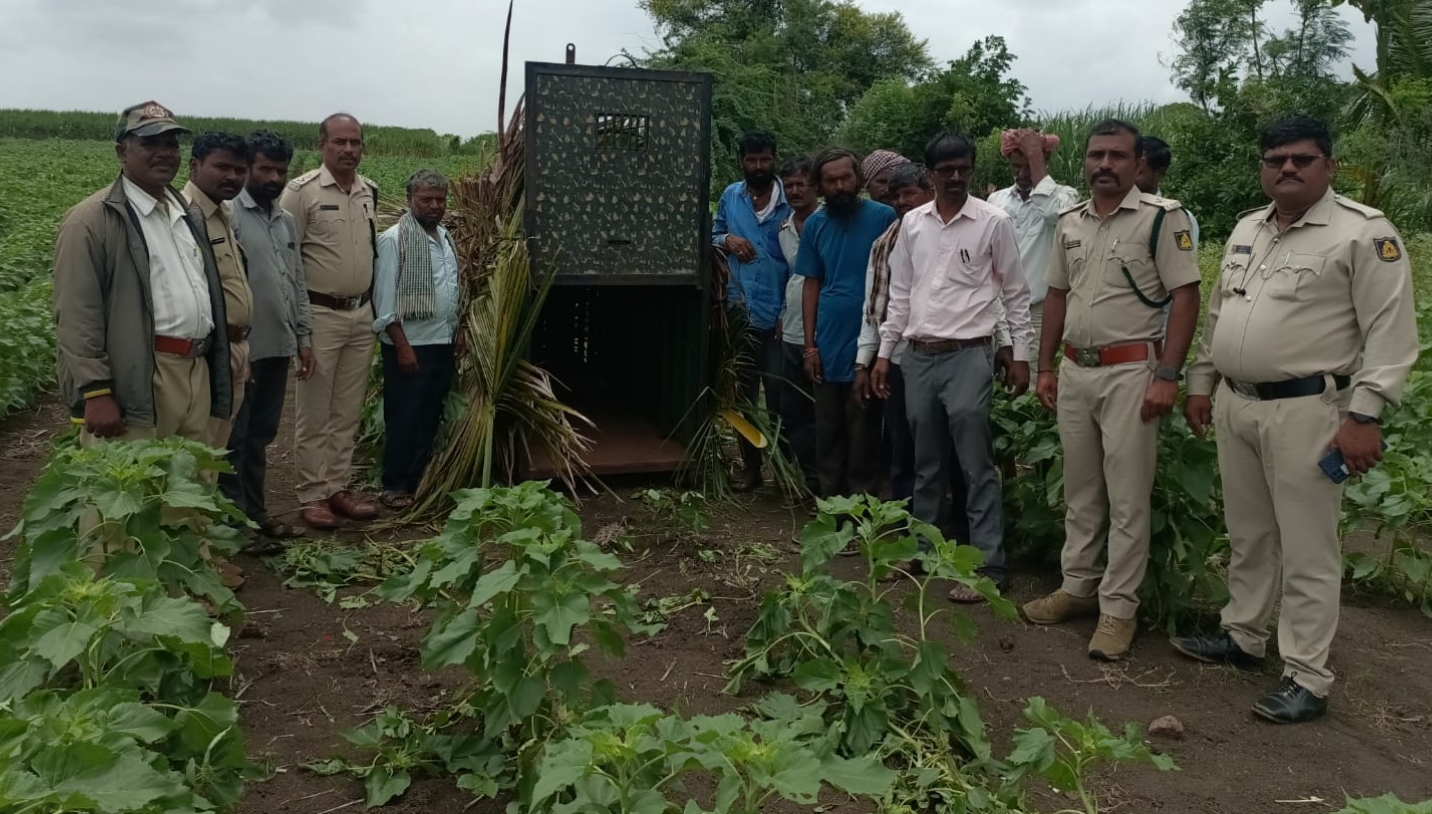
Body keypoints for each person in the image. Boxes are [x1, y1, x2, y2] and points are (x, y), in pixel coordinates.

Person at [1172, 116, 1418, 724]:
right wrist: (1202, 383)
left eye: (1302, 159)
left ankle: (1307, 674)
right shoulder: (1248, 227)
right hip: (1238, 403)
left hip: (1309, 408)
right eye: (1275, 158)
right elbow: (1221, 315)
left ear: (1328, 166)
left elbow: (1390, 332)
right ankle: (1244, 636)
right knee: (1249, 533)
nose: (1286, 168)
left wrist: (1365, 413)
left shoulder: (1363, 234)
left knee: (1308, 547)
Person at [1023, 119, 1201, 661]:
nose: (1105, 164)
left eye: (1117, 156)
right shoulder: (1071, 223)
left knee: (1127, 498)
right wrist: (1045, 367)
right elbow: (1056, 294)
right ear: (1085, 160)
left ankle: (1118, 609)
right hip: (1075, 371)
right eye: (1096, 155)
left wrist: (1168, 375)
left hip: (1132, 373)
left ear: (1135, 162)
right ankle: (1077, 587)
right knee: (1081, 491)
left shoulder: (1161, 220)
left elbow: (1186, 297)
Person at [872, 133, 1033, 600]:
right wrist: (885, 354)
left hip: (968, 355)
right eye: (946, 171)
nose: (956, 177)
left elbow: (1015, 293)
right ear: (930, 174)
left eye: (963, 168)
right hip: (919, 355)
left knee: (975, 463)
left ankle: (989, 566)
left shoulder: (992, 222)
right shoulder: (913, 225)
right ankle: (922, 551)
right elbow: (900, 294)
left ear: (972, 170)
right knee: (925, 464)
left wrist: (1019, 355)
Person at [54, 100, 232, 445]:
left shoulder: (185, 213)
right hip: (141, 374)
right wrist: (96, 391)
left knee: (187, 487)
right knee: (131, 491)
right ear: (122, 152)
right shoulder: (92, 220)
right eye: (150, 143)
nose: (164, 153)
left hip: (196, 369)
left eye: (171, 144)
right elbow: (76, 314)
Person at [280, 113, 381, 529]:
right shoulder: (300, 194)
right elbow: (287, 262)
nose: (348, 150)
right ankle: (311, 493)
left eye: (355, 142)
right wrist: (300, 329)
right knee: (314, 410)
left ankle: (338, 487)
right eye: (339, 142)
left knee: (347, 410)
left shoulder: (368, 191)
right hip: (319, 315)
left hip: (361, 315)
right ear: (322, 144)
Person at [221, 130, 316, 544]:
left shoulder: (285, 220)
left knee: (260, 436)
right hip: (244, 350)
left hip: (277, 346)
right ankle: (234, 525)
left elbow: (296, 281)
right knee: (234, 439)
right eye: (265, 169)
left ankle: (255, 513)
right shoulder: (227, 215)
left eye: (281, 170)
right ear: (248, 169)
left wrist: (304, 336)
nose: (274, 177)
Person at [796, 148, 897, 498]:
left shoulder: (884, 217)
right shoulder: (815, 225)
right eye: (831, 180)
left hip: (871, 341)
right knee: (828, 430)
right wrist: (810, 346)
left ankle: (861, 509)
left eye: (846, 178)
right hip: (828, 340)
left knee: (865, 430)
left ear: (858, 179)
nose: (840, 186)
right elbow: (811, 284)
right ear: (819, 187)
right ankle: (830, 507)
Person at [372, 170, 461, 509]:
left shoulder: (445, 237)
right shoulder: (394, 240)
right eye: (427, 199)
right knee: (404, 415)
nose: (435, 206)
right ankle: (394, 484)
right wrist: (403, 347)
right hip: (410, 344)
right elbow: (383, 299)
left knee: (427, 414)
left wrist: (458, 329)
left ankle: (416, 481)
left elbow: (453, 288)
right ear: (411, 200)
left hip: (441, 340)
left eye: (440, 199)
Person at [712, 131, 792, 491]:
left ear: (774, 158)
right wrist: (726, 239)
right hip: (739, 314)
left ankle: (786, 472)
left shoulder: (791, 199)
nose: (758, 166)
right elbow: (711, 235)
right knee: (743, 397)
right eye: (751, 160)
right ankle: (751, 469)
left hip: (779, 319)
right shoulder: (731, 196)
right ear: (741, 161)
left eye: (764, 159)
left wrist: (787, 314)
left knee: (780, 398)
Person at [182, 133, 253, 454]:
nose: (232, 176)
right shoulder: (185, 217)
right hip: (208, 354)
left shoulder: (221, 213)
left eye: (240, 170)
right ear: (195, 166)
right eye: (222, 167)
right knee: (198, 447)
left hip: (234, 349)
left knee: (216, 447)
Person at [988, 128, 1079, 358]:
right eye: (1016, 166)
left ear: (1044, 160)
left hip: (1037, 311)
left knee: (1031, 380)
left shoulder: (1066, 197)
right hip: (997, 308)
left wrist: (1035, 156)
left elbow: (1051, 213)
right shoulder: (996, 200)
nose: (1022, 174)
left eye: (1029, 165)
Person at [776, 156, 821, 495]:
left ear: (814, 185)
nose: (794, 191)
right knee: (794, 410)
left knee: (828, 412)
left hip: (827, 332)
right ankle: (812, 480)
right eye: (788, 185)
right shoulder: (784, 229)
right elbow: (790, 278)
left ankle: (836, 486)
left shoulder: (830, 221)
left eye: (800, 184)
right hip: (791, 330)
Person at [1135, 136, 1200, 249]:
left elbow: (1182, 264)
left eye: (1138, 170)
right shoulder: (1109, 213)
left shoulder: (1175, 218)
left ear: (1159, 173)